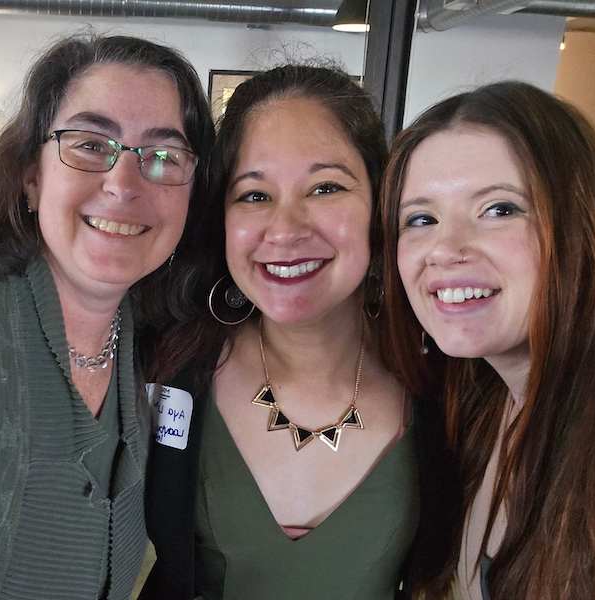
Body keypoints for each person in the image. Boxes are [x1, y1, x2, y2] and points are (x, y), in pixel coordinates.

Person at [0, 33, 213, 599]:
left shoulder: (152, 341)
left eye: (163, 156)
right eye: (90, 144)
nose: (124, 184)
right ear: (32, 176)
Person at [139, 65, 419, 599]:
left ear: (379, 204)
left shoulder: (443, 383)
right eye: (254, 195)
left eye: (325, 187)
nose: (286, 229)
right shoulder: (167, 362)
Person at [380, 81, 595, 600]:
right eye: (421, 219)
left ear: (581, 223)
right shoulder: (481, 404)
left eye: (499, 209)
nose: (445, 248)